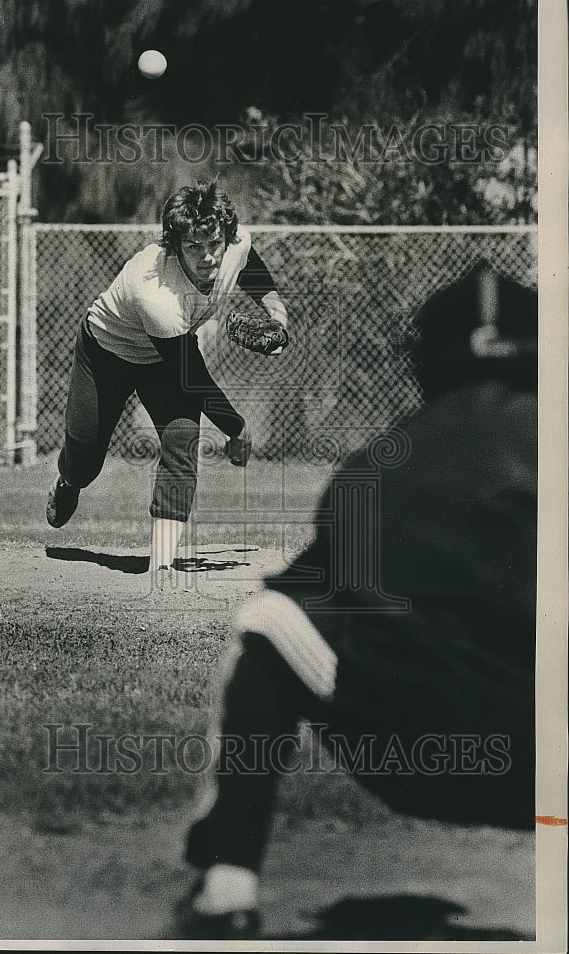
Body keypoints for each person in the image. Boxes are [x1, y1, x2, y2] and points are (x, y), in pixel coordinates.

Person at [166, 262, 538, 940]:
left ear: (426, 361)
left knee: (269, 621)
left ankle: (226, 883)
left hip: (402, 750)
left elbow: (291, 607)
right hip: (544, 766)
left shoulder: (370, 466)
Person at [46, 182, 289, 576]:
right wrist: (236, 427)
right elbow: (189, 376)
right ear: (174, 247)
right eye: (193, 247)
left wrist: (276, 311)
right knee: (86, 456)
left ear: (225, 235)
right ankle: (68, 482)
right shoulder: (155, 290)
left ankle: (160, 564)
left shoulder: (233, 242)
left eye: (214, 243)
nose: (208, 257)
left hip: (166, 355)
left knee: (181, 440)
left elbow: (249, 262)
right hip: (107, 352)